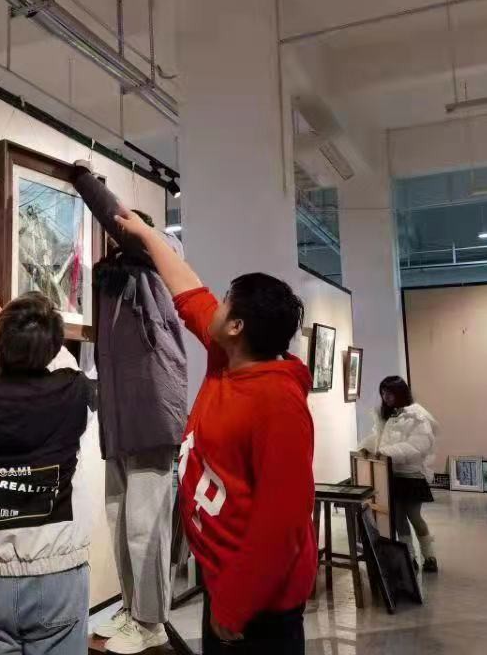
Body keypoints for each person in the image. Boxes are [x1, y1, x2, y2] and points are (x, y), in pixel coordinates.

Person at [114, 209, 317, 655]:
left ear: (237, 327)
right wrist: (146, 233)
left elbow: (282, 524)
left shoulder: (278, 402)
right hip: (224, 583)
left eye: (226, 300)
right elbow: (189, 292)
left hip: (258, 607)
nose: (216, 303)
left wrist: (235, 606)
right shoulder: (229, 356)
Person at [69, 164, 188, 654]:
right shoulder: (114, 284)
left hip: (153, 414)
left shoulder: (159, 260)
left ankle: (152, 621)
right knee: (120, 519)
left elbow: (120, 221)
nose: (117, 241)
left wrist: (83, 178)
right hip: (119, 419)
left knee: (147, 527)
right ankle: (133, 608)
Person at [0, 293, 93, 655]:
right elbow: (64, 362)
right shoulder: (74, 393)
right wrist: (26, 335)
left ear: (0, 344)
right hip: (58, 574)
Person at [358, 375, 439, 573]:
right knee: (399, 518)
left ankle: (429, 556)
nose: (385, 397)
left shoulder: (417, 416)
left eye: (390, 393)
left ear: (400, 393)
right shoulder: (386, 415)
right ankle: (409, 558)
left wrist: (387, 453)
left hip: (411, 476)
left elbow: (419, 445)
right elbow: (378, 439)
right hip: (391, 475)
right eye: (383, 393)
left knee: (414, 516)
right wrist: (366, 448)